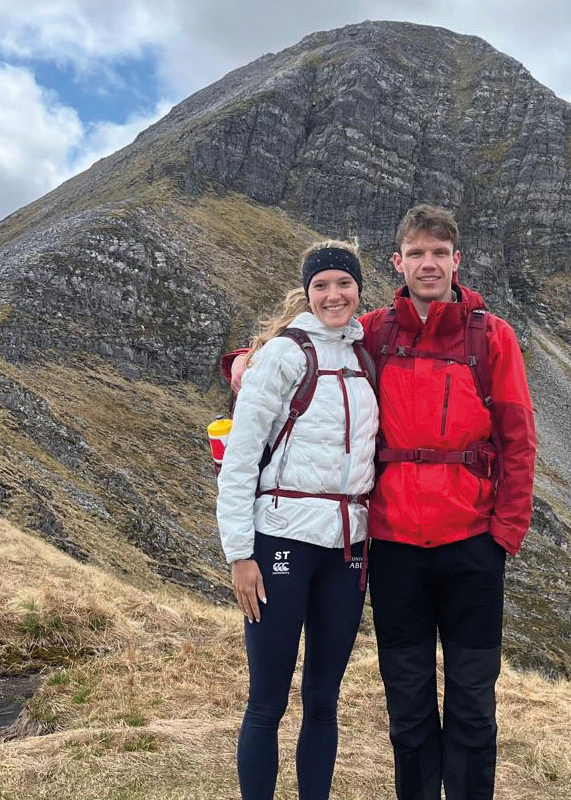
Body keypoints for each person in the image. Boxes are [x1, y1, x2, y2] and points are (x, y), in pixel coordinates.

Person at [359, 204, 536, 800]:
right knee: (407, 704)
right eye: (416, 253)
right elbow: (302, 351)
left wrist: (505, 534)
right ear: (398, 261)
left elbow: (517, 438)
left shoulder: (492, 335)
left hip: (471, 550)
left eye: (439, 253)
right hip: (395, 550)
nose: (427, 264)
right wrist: (244, 363)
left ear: (457, 261)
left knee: (472, 704)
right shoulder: (373, 330)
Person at [216, 240, 378, 800]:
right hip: (281, 540)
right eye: (321, 285)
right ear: (307, 294)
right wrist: (240, 555)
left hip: (347, 550)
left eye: (344, 284)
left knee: (324, 700)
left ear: (359, 290)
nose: (333, 294)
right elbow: (239, 459)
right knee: (267, 699)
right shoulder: (284, 355)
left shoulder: (365, 354)